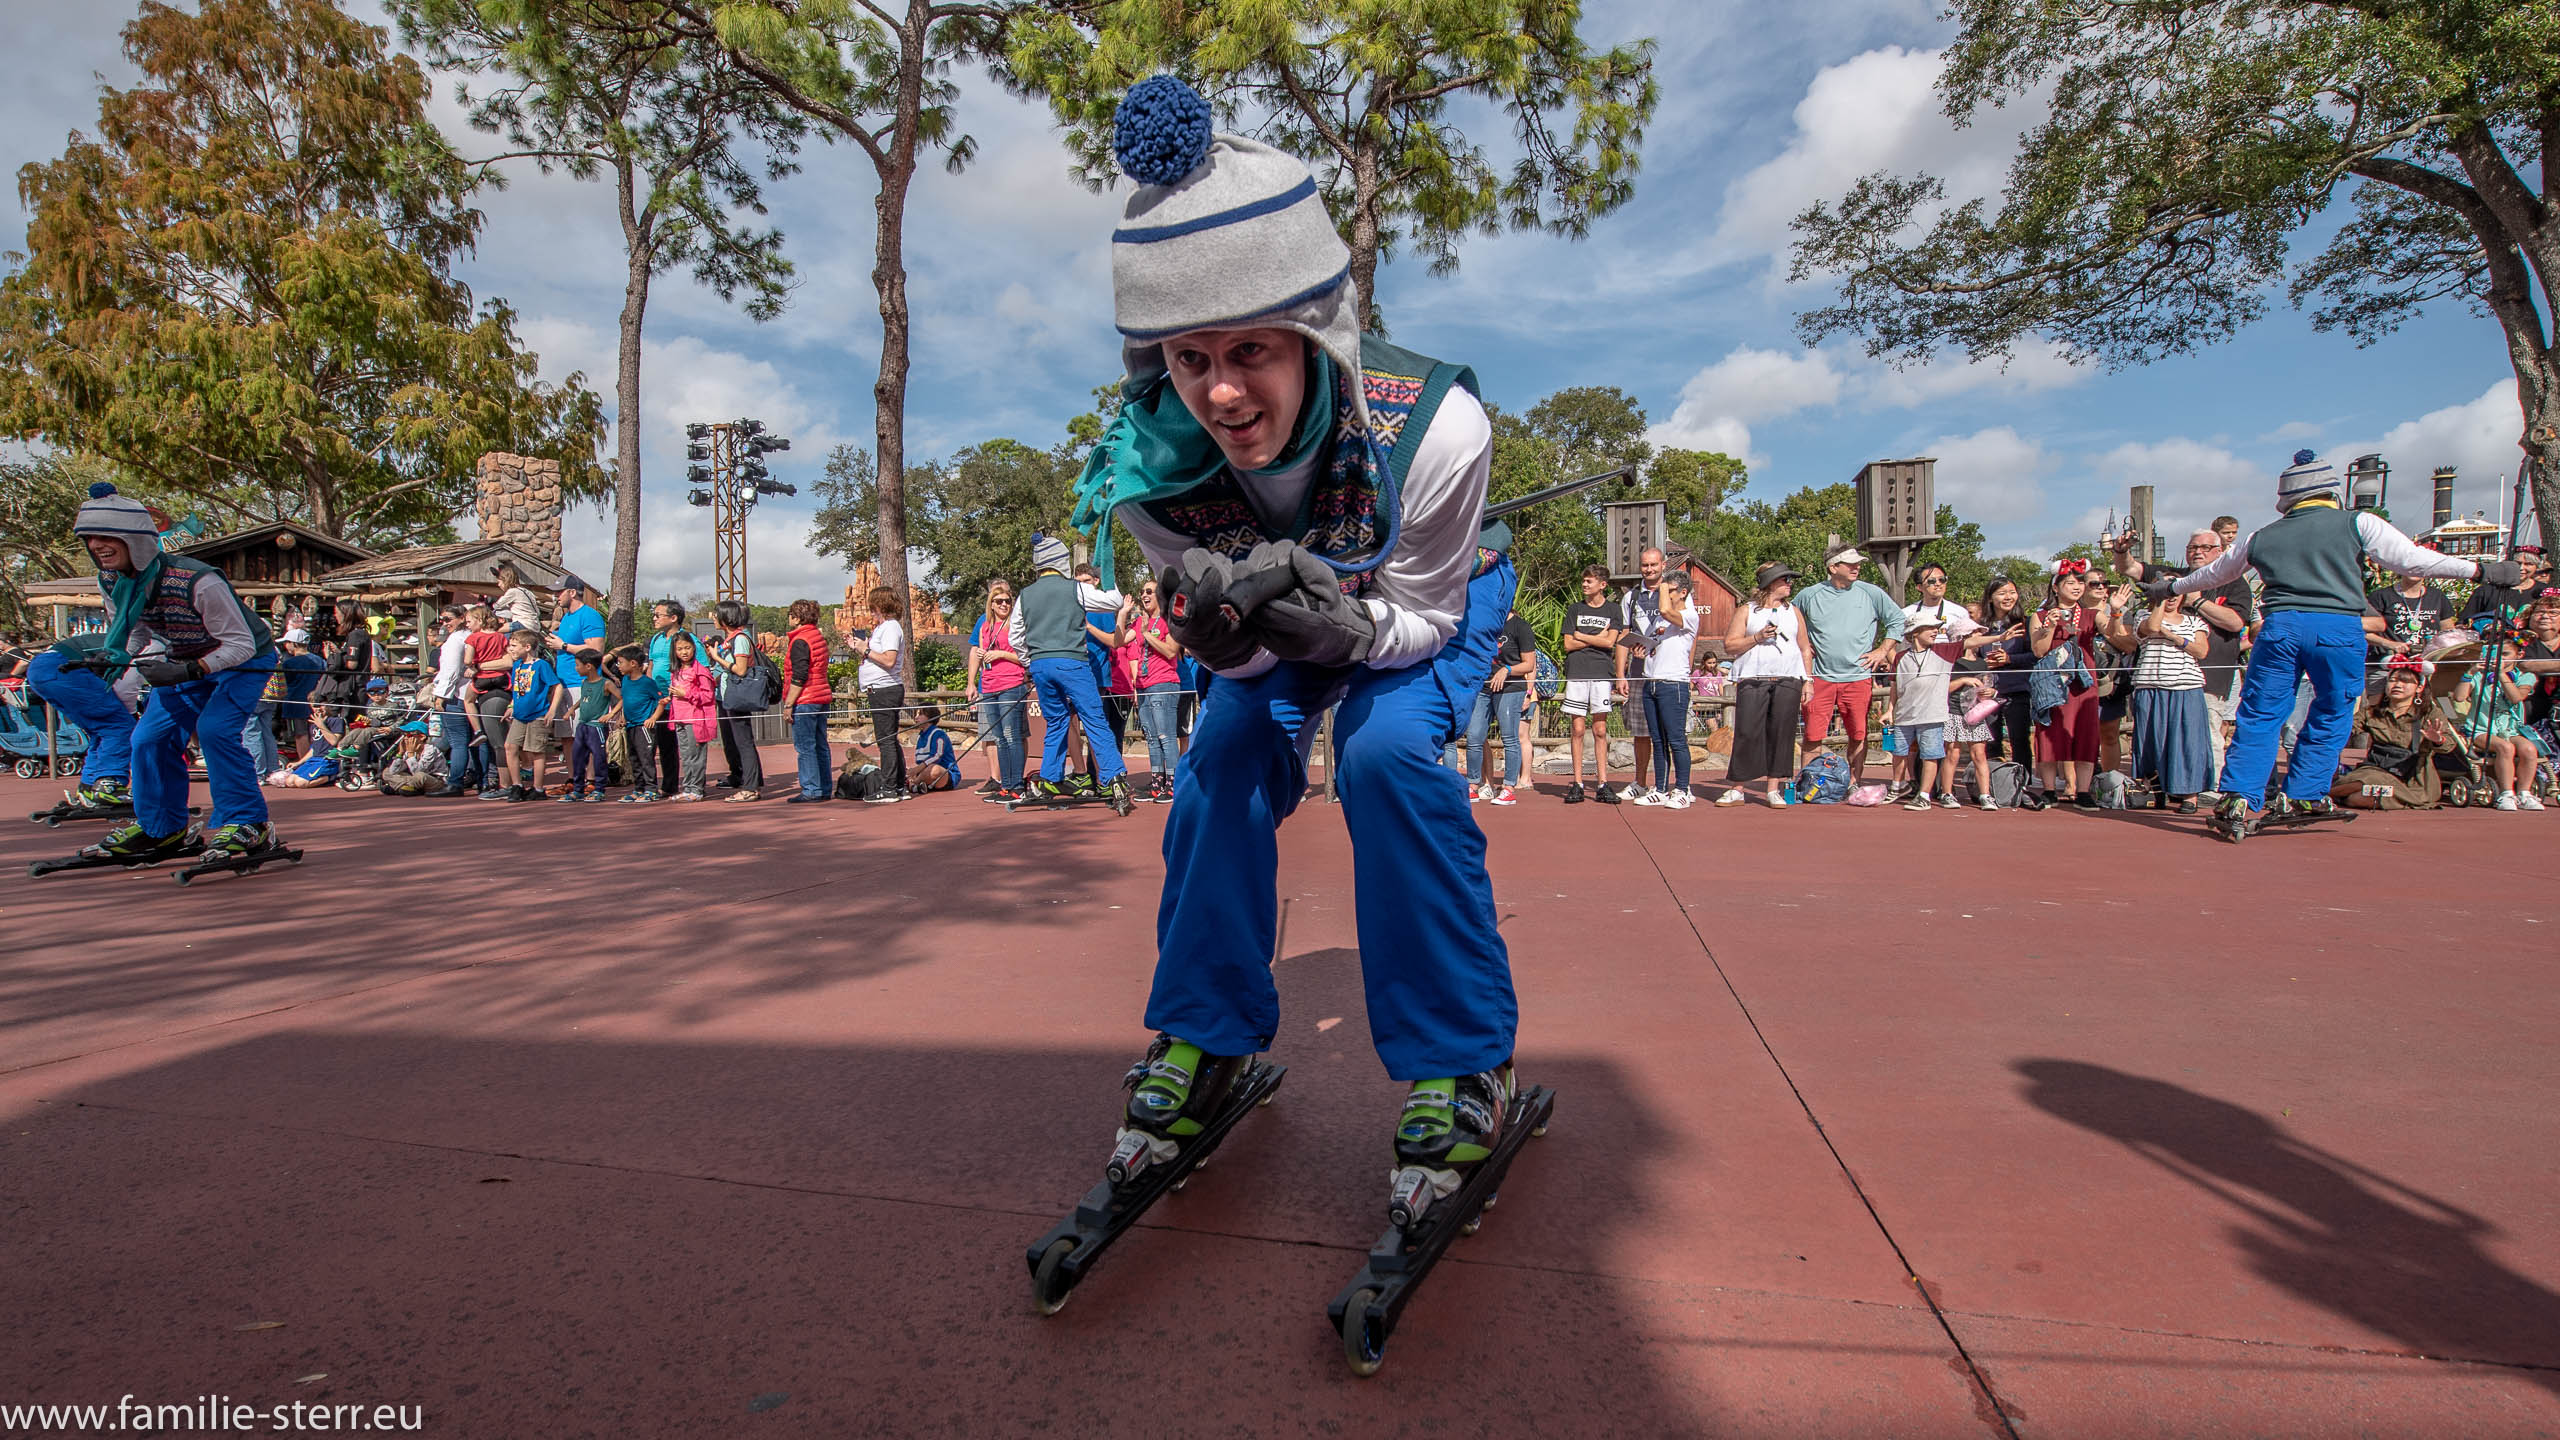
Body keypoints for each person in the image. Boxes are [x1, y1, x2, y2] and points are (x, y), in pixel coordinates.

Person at [1065, 78, 1521, 1206]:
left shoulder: (1436, 428)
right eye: (1187, 359)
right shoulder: (1145, 480)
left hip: (1419, 611)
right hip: (1293, 635)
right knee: (1218, 762)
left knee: (1384, 758)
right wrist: (1233, 645)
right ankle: (1206, 1034)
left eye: (1252, 351)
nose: (1220, 392)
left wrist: (1349, 626)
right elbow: (1250, 668)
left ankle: (1464, 1062)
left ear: (1316, 336)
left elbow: (1426, 615)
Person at [2154, 449, 2520, 837]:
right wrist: (2482, 570)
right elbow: (2412, 561)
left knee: (2261, 713)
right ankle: (2306, 793)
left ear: (2286, 500)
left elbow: (2214, 573)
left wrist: (2170, 586)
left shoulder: (2260, 536)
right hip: (2338, 628)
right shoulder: (2357, 522)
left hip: (2281, 627)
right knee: (2332, 710)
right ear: (2331, 492)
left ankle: (2238, 797)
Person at [59, 482, 281, 864]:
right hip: (184, 664)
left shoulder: (197, 580)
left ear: (137, 539)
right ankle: (162, 828)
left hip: (242, 661)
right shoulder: (112, 581)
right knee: (148, 739)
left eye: (106, 535)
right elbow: (136, 634)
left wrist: (190, 669)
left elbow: (241, 645)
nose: (96, 545)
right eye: (89, 538)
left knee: (215, 730)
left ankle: (250, 824)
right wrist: (110, 657)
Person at [2115, 529, 2255, 791]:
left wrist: (2196, 601)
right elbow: (2130, 569)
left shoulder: (2234, 582)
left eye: (2204, 547)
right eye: (2192, 547)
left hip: (2210, 676)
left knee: (2206, 734)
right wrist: (2121, 550)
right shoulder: (2173, 577)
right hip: (2161, 679)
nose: (2197, 552)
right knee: (2162, 738)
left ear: (2220, 551)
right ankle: (2168, 789)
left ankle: (2210, 789)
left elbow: (2236, 623)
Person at [1015, 536, 1130, 803]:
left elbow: (1015, 637)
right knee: (1094, 719)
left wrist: (1029, 660)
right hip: (1073, 661)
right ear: (1060, 562)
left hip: (1041, 665)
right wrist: (1108, 573)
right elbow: (1113, 601)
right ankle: (1114, 776)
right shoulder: (1075, 589)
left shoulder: (1025, 595)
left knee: (1056, 720)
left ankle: (1051, 778)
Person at [1796, 546, 1905, 764]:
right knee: (1812, 736)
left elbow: (1897, 620)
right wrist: (1804, 644)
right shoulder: (1809, 594)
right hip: (1819, 676)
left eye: (1858, 563)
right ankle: (1808, 782)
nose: (1857, 567)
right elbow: (1788, 623)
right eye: (1850, 564)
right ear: (1833, 567)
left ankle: (1854, 785)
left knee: (1858, 735)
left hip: (1858, 676)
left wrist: (1882, 650)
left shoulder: (1871, 592)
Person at [1720, 560, 1812, 807]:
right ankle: (1738, 788)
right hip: (1754, 679)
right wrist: (1757, 637)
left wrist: (1808, 681)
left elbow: (1805, 648)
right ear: (1770, 583)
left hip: (1788, 679)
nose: (1789, 584)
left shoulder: (1793, 612)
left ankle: (1774, 789)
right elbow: (1730, 645)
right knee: (1747, 732)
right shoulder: (1747, 610)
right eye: (1785, 580)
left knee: (1782, 733)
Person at [2119, 588, 2214, 811]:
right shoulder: (2144, 614)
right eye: (2165, 593)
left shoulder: (2194, 621)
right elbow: (2151, 628)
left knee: (2188, 741)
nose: (2170, 598)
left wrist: (2172, 636)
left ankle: (2190, 795)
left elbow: (2201, 651)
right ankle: (2156, 791)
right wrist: (2158, 600)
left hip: (2186, 687)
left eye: (2174, 592)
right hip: (2150, 685)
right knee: (2153, 740)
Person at [2031, 559, 2111, 807]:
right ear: (2056, 587)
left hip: (2083, 681)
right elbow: (2039, 650)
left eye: (2079, 582)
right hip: (2052, 681)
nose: (2076, 587)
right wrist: (2050, 626)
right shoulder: (2040, 615)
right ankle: (2049, 789)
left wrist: (2115, 611)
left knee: (2085, 732)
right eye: (2069, 582)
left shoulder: (2092, 614)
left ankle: (2084, 791)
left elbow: (2112, 631)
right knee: (2050, 732)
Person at [2332, 655, 2454, 810]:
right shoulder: (2371, 712)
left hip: (2411, 780)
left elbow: (2449, 745)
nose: (2398, 685)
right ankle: (2320, 797)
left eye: (2406, 681)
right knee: (2365, 780)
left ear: (2419, 688)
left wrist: (2438, 739)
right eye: (2393, 680)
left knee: (2357, 798)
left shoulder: (2429, 713)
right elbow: (2346, 730)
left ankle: (2320, 797)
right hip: (2376, 768)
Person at [2453, 634, 2544, 811]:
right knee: (2506, 748)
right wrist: (2469, 673)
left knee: (2529, 749)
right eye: (2494, 654)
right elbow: (2459, 697)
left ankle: (2524, 793)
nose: (2498, 658)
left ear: (2519, 655)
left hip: (2510, 729)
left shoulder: (2525, 677)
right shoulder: (2479, 676)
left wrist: (2501, 674)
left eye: (2505, 654)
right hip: (2480, 729)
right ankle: (2506, 793)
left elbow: (2516, 698)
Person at [1632, 569, 1699, 807]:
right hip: (1651, 681)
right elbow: (1654, 643)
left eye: (1669, 590)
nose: (1664, 594)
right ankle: (1660, 788)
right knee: (1657, 740)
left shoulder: (1689, 615)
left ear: (1683, 593)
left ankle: (1682, 789)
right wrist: (1641, 650)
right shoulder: (1660, 620)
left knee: (1676, 739)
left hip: (1673, 683)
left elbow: (1664, 609)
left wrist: (1660, 587)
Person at [1557, 564, 1622, 804]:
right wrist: (1596, 638)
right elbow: (1568, 644)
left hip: (1601, 673)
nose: (1585, 585)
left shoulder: (1613, 610)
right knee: (1577, 729)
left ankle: (1603, 783)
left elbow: (1610, 643)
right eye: (1583, 581)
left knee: (1600, 729)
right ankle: (1578, 782)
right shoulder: (1574, 609)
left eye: (1589, 582)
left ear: (1602, 585)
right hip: (1577, 671)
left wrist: (1581, 635)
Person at [1462, 602, 1536, 805]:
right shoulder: (1486, 624)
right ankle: (1473, 785)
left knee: (1509, 737)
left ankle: (1509, 787)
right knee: (1475, 736)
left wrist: (1508, 670)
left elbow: (1529, 664)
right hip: (1483, 688)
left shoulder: (1521, 626)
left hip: (1511, 688)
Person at [1121, 577, 1186, 800]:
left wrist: (1148, 633)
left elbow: (1170, 651)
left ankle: (1173, 784)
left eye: (1149, 591)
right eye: (1142, 591)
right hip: (1144, 685)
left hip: (1163, 683)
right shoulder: (1139, 622)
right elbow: (1117, 641)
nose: (1144, 594)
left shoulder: (1170, 619)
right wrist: (1122, 615)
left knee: (1165, 736)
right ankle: (1157, 783)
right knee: (1150, 737)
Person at [1611, 545, 1668, 802]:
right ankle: (1641, 782)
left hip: (1667, 671)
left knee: (1667, 732)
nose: (1649, 569)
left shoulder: (1675, 594)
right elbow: (1624, 635)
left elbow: (1689, 633)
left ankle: (1664, 785)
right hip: (1638, 672)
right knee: (1641, 732)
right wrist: (1620, 674)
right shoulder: (1631, 597)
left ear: (1663, 565)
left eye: (1654, 565)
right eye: (1645, 565)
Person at [966, 581, 1032, 800]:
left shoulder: (1016, 624)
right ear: (991, 604)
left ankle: (1017, 786)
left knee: (1012, 735)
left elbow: (1025, 657)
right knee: (999, 738)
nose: (1004, 604)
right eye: (999, 601)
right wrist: (972, 681)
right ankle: (1006, 784)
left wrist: (1002, 654)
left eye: (1007, 601)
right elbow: (977, 651)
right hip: (989, 685)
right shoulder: (985, 626)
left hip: (1011, 684)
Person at [1890, 613, 1955, 810]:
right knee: (1899, 751)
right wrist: (1889, 710)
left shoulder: (1944, 651)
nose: (1936, 631)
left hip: (1931, 715)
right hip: (1904, 715)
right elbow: (1895, 686)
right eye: (1930, 627)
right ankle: (1897, 786)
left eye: (1937, 627)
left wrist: (1999, 638)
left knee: (1930, 754)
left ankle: (1924, 795)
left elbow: (1971, 642)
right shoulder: (1901, 657)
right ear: (1915, 632)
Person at [850, 586, 906, 802]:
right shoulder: (884, 628)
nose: (871, 611)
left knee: (886, 740)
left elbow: (889, 660)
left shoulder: (891, 628)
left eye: (873, 606)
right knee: (890, 739)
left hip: (885, 689)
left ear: (882, 605)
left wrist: (864, 650)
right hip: (880, 689)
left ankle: (890, 787)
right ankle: (899, 786)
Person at [1974, 579, 2036, 765]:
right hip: (1988, 692)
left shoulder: (2026, 623)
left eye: (2012, 592)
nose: (2008, 597)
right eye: (2002, 593)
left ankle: (2021, 785)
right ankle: (1994, 783)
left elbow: (2035, 656)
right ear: (1990, 598)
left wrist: (2009, 659)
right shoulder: (1981, 626)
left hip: (2017, 690)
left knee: (2019, 740)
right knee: (1991, 742)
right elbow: (1972, 657)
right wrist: (1985, 664)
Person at [779, 598, 835, 803]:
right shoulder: (817, 637)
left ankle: (811, 789)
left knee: (805, 746)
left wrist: (788, 704)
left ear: (797, 617)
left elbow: (799, 675)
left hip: (806, 699)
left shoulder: (800, 641)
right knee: (820, 744)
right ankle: (824, 787)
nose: (789, 619)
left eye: (791, 615)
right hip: (821, 695)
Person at [501, 625, 565, 802]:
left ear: (527, 647)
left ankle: (538, 788)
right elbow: (517, 690)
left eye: (514, 646)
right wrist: (511, 706)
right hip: (519, 715)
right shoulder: (517, 666)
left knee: (536, 750)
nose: (510, 649)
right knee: (510, 746)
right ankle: (517, 785)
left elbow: (556, 686)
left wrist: (552, 710)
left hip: (537, 714)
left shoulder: (541, 665)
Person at [645, 600, 701, 798]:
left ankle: (693, 787)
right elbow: (651, 667)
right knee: (663, 744)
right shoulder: (656, 639)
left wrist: (685, 692)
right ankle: (667, 785)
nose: (654, 618)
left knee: (688, 747)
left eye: (658, 615)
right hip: (659, 701)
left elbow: (700, 669)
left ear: (673, 618)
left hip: (682, 702)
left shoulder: (688, 639)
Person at [709, 599, 763, 801]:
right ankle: (751, 782)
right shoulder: (731, 638)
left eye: (716, 614)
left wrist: (717, 657)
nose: (713, 618)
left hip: (737, 694)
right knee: (737, 741)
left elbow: (740, 669)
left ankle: (750, 787)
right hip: (727, 694)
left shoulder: (739, 638)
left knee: (744, 741)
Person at [426, 605, 477, 796]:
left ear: (461, 618)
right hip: (468, 694)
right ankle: (478, 777)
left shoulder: (455, 640)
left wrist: (441, 696)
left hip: (455, 696)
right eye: (443, 620)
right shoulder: (470, 637)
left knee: (458, 742)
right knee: (473, 740)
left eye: (448, 619)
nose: (445, 624)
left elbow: (451, 671)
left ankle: (455, 782)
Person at [464, 608, 514, 797]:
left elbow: (468, 660)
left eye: (469, 621)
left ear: (479, 620)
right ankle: (508, 782)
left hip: (483, 680)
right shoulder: (501, 638)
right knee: (502, 742)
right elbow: (507, 656)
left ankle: (477, 730)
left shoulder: (474, 638)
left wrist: (474, 666)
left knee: (499, 744)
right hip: (502, 678)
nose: (467, 626)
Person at [665, 631, 718, 801]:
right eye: (679, 649)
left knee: (696, 756)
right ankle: (688, 788)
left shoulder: (700, 671)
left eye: (687, 648)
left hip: (695, 720)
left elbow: (708, 696)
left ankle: (697, 789)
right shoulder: (676, 670)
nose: (684, 652)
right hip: (679, 718)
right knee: (686, 756)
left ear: (694, 648)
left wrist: (686, 693)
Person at [560, 649, 616, 802]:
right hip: (582, 725)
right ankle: (578, 789)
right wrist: (572, 708)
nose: (576, 668)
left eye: (578, 665)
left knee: (598, 757)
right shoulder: (584, 683)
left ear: (589, 666)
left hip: (596, 727)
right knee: (577, 757)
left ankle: (599, 789)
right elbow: (584, 698)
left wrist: (611, 714)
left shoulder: (606, 683)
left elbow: (621, 699)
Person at [610, 646, 664, 804]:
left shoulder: (647, 683)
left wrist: (653, 718)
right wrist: (621, 716)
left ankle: (651, 789)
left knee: (646, 758)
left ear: (633, 663)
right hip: (630, 725)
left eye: (620, 662)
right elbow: (626, 700)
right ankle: (638, 789)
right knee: (633, 758)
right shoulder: (625, 680)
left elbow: (661, 702)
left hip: (644, 727)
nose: (618, 666)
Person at [2460, 544, 2546, 628]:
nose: (2521, 568)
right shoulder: (2487, 590)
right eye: (2517, 563)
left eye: (2528, 564)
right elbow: (2465, 621)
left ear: (2536, 567)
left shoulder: (2543, 591)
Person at [548, 576, 606, 700]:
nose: (556, 596)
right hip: (562, 685)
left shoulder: (589, 615)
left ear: (572, 592)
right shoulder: (566, 617)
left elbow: (596, 650)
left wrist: (563, 646)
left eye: (559, 591)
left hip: (581, 684)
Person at [1900, 564, 1977, 649]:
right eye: (1931, 581)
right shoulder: (1906, 613)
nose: (1938, 584)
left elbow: (1968, 643)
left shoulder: (1959, 612)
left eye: (1942, 579)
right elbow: (1892, 644)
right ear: (1919, 587)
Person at [376, 720, 449, 796]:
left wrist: (411, 754)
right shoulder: (408, 750)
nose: (405, 738)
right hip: (414, 779)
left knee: (420, 776)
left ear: (421, 737)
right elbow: (394, 771)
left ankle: (398, 787)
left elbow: (418, 771)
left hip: (434, 781)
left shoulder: (431, 750)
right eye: (404, 735)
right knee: (387, 772)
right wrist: (400, 754)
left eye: (409, 735)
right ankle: (406, 788)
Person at [913, 705, 960, 789]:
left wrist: (916, 770)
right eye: (916, 714)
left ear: (930, 717)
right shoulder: (920, 737)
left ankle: (915, 784)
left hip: (944, 774)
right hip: (925, 773)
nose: (916, 717)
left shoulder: (938, 734)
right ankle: (919, 785)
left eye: (920, 714)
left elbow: (937, 756)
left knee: (934, 769)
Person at [490, 560, 541, 632]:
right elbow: (537, 612)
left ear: (505, 580)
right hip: (535, 625)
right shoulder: (527, 592)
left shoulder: (512, 591)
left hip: (522, 623)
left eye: (499, 582)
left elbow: (497, 605)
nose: (499, 585)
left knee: (492, 630)